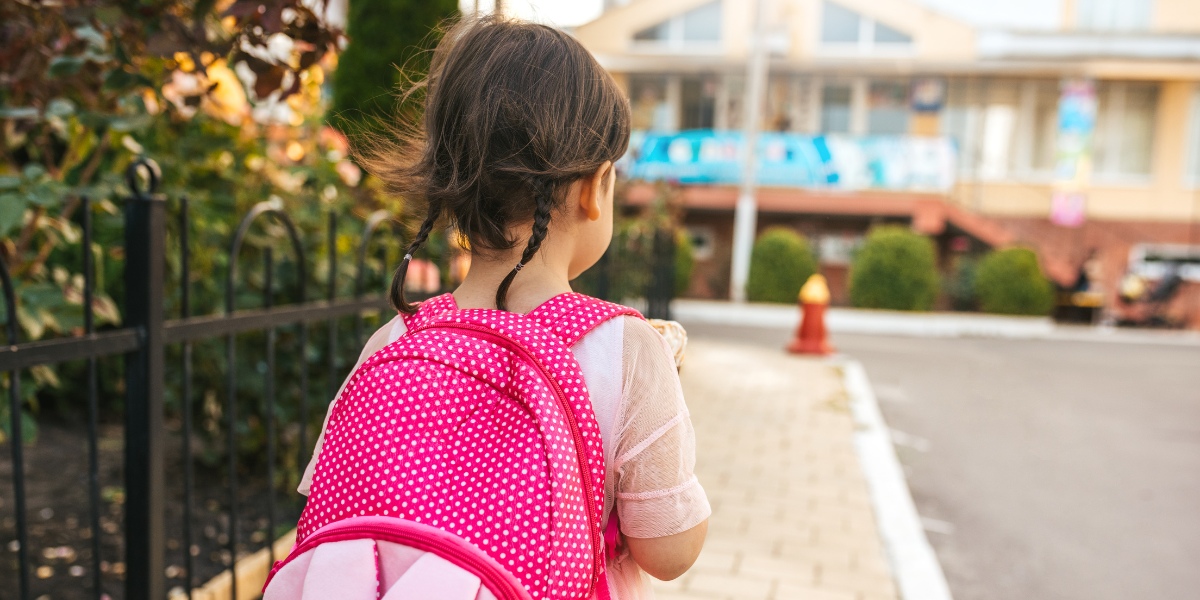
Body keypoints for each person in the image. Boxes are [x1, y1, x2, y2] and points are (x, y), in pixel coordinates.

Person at [295, 16, 709, 599]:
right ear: (594, 189)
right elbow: (669, 549)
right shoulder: (629, 349)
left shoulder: (396, 340)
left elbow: (327, 511)